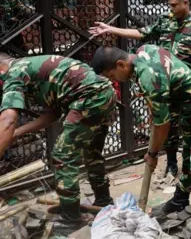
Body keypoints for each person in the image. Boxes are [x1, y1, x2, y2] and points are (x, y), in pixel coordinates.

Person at [91, 44, 191, 239]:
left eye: (112, 75)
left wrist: (152, 153)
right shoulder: (142, 52)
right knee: (190, 161)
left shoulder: (147, 75)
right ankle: (180, 200)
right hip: (189, 109)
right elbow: (158, 113)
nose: (115, 80)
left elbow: (162, 125)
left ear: (121, 64)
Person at [89, 0, 191, 177]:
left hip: (185, 84)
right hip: (160, 83)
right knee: (166, 124)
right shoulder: (165, 20)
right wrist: (111, 29)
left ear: (185, 3)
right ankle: (171, 163)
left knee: (188, 127)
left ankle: (190, 168)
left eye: (173, 6)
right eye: (169, 6)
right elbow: (142, 33)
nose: (170, 9)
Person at [0, 54, 116, 224]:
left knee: (63, 157)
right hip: (103, 95)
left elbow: (8, 120)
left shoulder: (14, 73)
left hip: (90, 98)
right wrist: (17, 133)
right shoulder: (31, 70)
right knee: (92, 153)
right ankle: (103, 202)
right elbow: (52, 115)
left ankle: (71, 218)